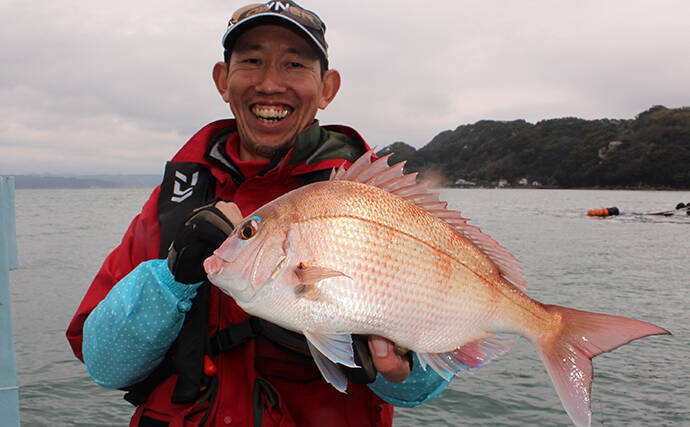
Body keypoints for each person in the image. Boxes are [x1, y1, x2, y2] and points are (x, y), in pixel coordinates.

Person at [66, 2, 449, 426]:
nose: (270, 83)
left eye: (294, 64)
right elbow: (104, 365)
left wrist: (403, 366)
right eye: (251, 61)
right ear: (223, 80)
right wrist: (173, 274)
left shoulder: (367, 199)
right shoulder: (176, 200)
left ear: (327, 87)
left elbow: (425, 382)